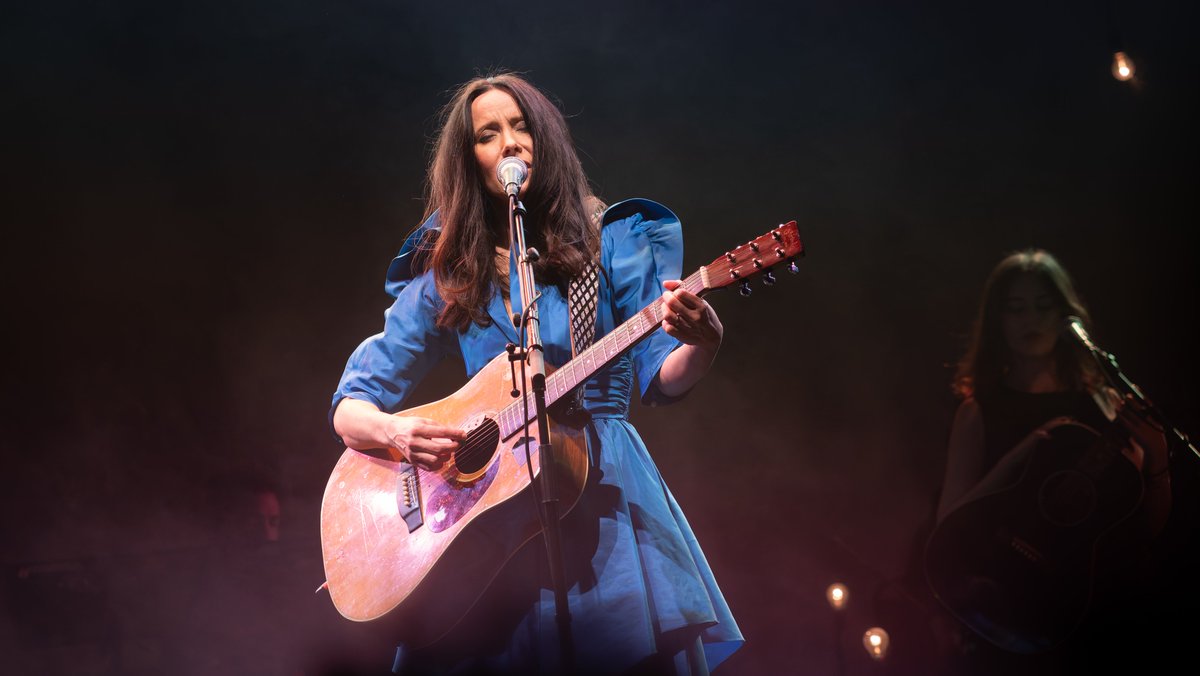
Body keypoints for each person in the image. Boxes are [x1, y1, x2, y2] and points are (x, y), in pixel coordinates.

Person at [328, 73, 742, 675]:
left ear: (544, 139)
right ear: (469, 160)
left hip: (604, 499)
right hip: (484, 521)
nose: (510, 143)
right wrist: (397, 434)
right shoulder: (450, 267)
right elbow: (352, 403)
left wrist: (704, 344)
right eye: (488, 134)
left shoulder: (611, 239)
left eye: (521, 127)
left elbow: (663, 376)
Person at [930, 249, 1173, 673]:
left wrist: (1158, 458)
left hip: (1085, 619)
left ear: (1067, 316)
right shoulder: (980, 409)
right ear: (997, 320)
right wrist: (1016, 459)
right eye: (1016, 308)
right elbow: (950, 521)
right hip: (1006, 613)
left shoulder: (1104, 403)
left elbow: (1144, 527)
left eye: (1045, 307)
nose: (1032, 320)